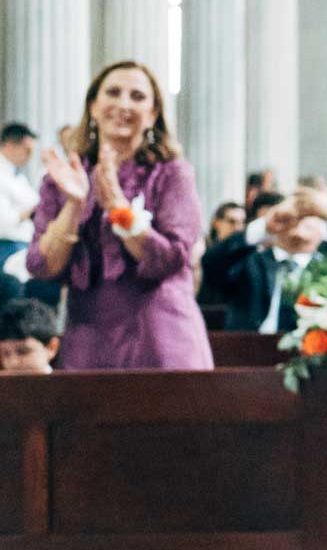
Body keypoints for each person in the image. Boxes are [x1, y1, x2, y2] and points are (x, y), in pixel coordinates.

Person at [25, 60, 212, 370]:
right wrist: (74, 204)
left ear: (153, 114)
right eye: (113, 92)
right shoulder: (62, 178)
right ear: (94, 107)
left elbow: (171, 257)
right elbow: (43, 266)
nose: (124, 103)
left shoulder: (172, 174)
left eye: (137, 96)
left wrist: (116, 205)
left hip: (160, 334)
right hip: (89, 338)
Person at [201, 190, 327, 333]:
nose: (298, 221)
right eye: (292, 216)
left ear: (324, 231)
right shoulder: (250, 264)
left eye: (309, 216)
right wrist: (264, 225)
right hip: (252, 350)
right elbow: (211, 264)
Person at [1, 122, 39, 274]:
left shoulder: (17, 176)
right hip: (9, 248)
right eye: (27, 150)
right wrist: (32, 212)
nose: (30, 156)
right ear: (10, 146)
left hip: (25, 244)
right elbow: (3, 223)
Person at [0, 297, 61, 374]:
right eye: (6, 354)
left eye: (23, 352)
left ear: (51, 347)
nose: (13, 362)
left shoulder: (71, 385)